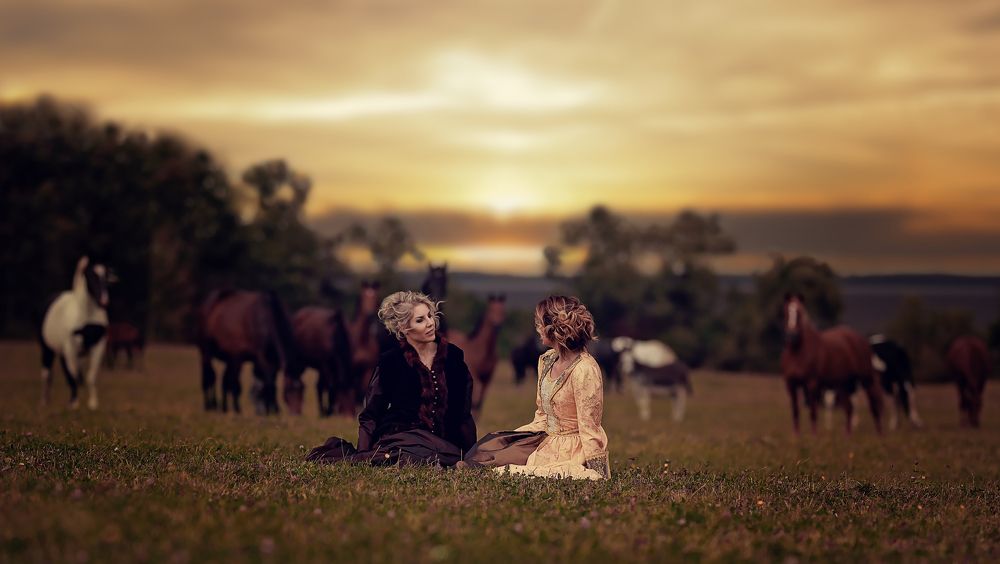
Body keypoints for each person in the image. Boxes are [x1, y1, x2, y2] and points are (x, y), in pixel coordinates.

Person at [306, 291, 477, 467]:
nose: (430, 323)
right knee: (415, 458)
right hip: (402, 438)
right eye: (420, 320)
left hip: (446, 442)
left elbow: (464, 414)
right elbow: (371, 414)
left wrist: (472, 454)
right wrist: (363, 454)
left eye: (430, 316)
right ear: (403, 328)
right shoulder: (391, 361)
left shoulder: (454, 357)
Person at [462, 295, 610, 480]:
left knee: (501, 470)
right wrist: (516, 440)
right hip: (543, 435)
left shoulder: (584, 370)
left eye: (540, 324)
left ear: (554, 329)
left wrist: (599, 471)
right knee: (485, 450)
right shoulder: (547, 360)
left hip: (569, 447)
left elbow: (590, 427)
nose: (538, 329)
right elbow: (542, 413)